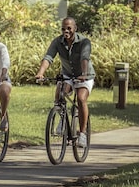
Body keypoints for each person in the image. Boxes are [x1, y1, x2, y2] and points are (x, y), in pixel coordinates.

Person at [35, 16, 95, 147]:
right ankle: (62, 119)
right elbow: (48, 57)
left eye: (69, 28)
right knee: (60, 93)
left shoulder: (84, 42)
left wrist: (84, 74)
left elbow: (84, 58)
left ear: (75, 28)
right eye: (63, 29)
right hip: (68, 75)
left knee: (80, 99)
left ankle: (83, 133)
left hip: (85, 75)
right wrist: (41, 73)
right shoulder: (57, 42)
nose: (66, 31)